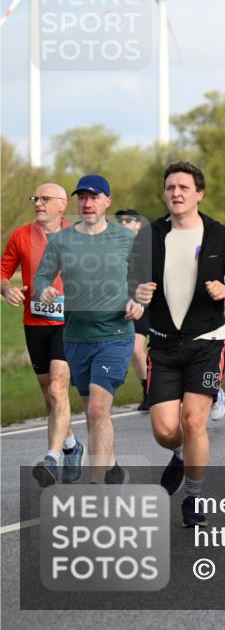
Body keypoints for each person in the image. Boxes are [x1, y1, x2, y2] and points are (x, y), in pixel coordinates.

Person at [132, 162, 225, 526]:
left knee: (193, 420)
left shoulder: (219, 235)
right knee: (165, 430)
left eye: (184, 187)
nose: (176, 193)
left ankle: (194, 497)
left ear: (199, 193)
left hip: (207, 342)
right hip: (164, 345)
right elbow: (132, 278)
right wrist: (136, 290)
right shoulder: (151, 234)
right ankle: (181, 452)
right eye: (170, 187)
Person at [34, 175, 143, 485]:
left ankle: (96, 492)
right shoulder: (61, 240)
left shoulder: (126, 239)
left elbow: (144, 281)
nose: (87, 202)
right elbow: (43, 277)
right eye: (82, 197)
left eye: (94, 197)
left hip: (115, 335)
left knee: (96, 410)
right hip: (77, 338)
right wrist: (44, 290)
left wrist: (139, 302)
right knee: (95, 414)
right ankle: (113, 469)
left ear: (107, 201)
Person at [2, 183, 82, 487]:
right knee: (49, 393)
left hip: (68, 323)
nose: (38, 202)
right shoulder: (21, 235)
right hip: (34, 323)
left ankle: (51, 458)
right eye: (35, 197)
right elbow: (3, 272)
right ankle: (72, 445)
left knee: (59, 387)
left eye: (45, 199)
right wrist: (7, 289)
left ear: (61, 205)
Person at [115, 209, 152, 412]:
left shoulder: (148, 245)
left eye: (129, 220)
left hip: (152, 304)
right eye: (121, 221)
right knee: (136, 349)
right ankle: (148, 391)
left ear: (138, 224)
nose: (124, 223)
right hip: (129, 304)